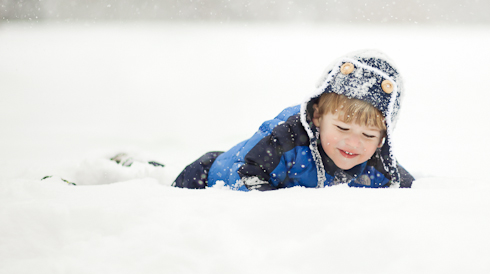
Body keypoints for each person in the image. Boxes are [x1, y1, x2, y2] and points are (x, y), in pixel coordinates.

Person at [172, 49, 413, 191]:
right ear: (317, 117)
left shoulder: (378, 165)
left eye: (368, 135)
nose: (353, 143)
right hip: (203, 178)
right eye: (342, 128)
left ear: (383, 139)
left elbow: (413, 192)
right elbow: (247, 174)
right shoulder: (285, 139)